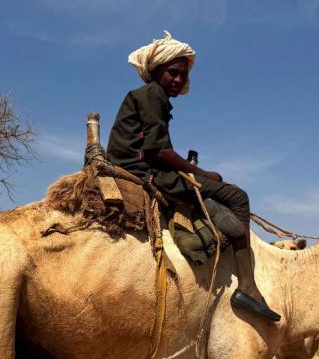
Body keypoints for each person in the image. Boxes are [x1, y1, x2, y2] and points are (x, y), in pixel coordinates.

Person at [106, 31, 280, 323]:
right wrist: (200, 172)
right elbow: (158, 150)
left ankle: (228, 240)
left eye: (182, 75)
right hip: (141, 173)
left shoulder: (151, 97)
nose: (178, 80)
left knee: (215, 193)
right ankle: (248, 286)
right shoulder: (152, 95)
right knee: (237, 196)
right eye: (172, 73)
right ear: (157, 71)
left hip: (142, 167)